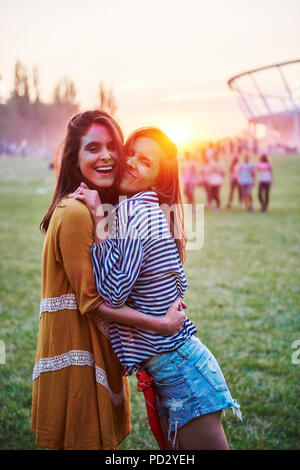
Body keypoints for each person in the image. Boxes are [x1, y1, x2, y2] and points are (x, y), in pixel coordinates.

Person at [72, 127, 242, 450]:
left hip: (184, 372)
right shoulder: (137, 209)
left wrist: (97, 218)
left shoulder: (140, 212)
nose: (132, 162)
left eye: (145, 161)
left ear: (157, 179)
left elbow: (114, 291)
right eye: (132, 152)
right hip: (173, 369)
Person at [31, 111, 186, 450]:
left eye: (113, 146)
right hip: (78, 363)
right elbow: (94, 302)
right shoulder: (74, 213)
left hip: (95, 357)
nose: (107, 157)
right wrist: (159, 323)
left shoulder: (99, 211)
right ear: (75, 157)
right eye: (93, 148)